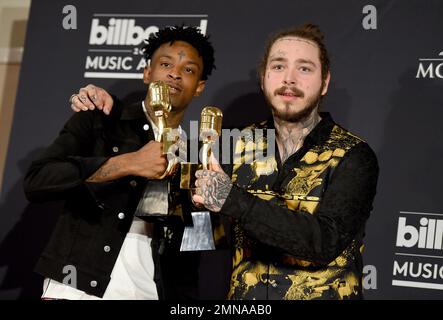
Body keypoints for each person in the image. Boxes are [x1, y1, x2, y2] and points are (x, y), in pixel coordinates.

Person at [23, 25, 215, 300]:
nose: (174, 73)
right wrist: (128, 163)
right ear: (147, 72)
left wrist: (205, 212)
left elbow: (193, 251)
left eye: (188, 69)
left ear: (199, 87)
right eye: (165, 64)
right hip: (77, 290)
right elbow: (38, 181)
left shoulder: (198, 157)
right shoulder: (102, 118)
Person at [192, 23, 379, 300]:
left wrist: (231, 199)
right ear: (264, 77)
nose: (289, 78)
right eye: (279, 66)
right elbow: (199, 235)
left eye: (304, 68)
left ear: (325, 81)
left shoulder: (353, 154)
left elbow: (323, 242)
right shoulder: (234, 143)